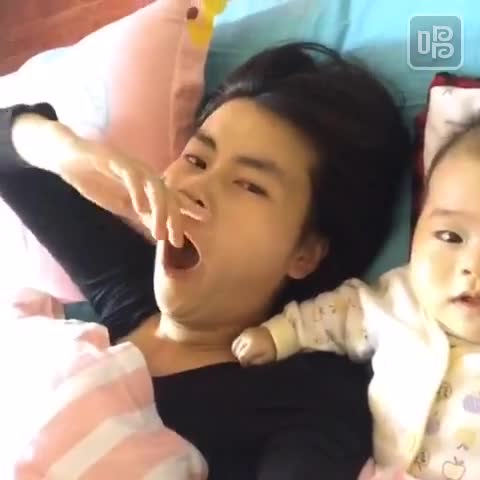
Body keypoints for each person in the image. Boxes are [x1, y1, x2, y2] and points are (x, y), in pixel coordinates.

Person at [0, 43, 410, 479]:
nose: (194, 188)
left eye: (249, 185)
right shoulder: (128, 287)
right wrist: (69, 155)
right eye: (196, 159)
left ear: (306, 252)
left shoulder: (311, 400)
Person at [234, 119, 480, 479]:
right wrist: (281, 334)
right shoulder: (399, 302)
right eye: (450, 237)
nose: (471, 266)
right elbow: (340, 314)